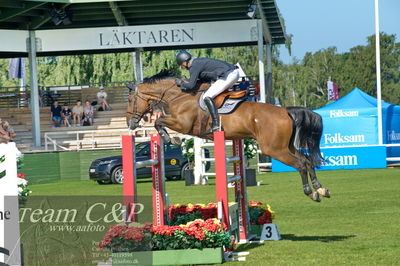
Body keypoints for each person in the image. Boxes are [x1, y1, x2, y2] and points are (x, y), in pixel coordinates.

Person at [175, 50, 240, 132]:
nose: (183, 67)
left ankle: (216, 124)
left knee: (207, 96)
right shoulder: (197, 62)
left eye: (182, 66)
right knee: (214, 93)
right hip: (232, 73)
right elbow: (203, 80)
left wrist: (181, 83)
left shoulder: (193, 66)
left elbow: (191, 85)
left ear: (184, 63)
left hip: (229, 75)